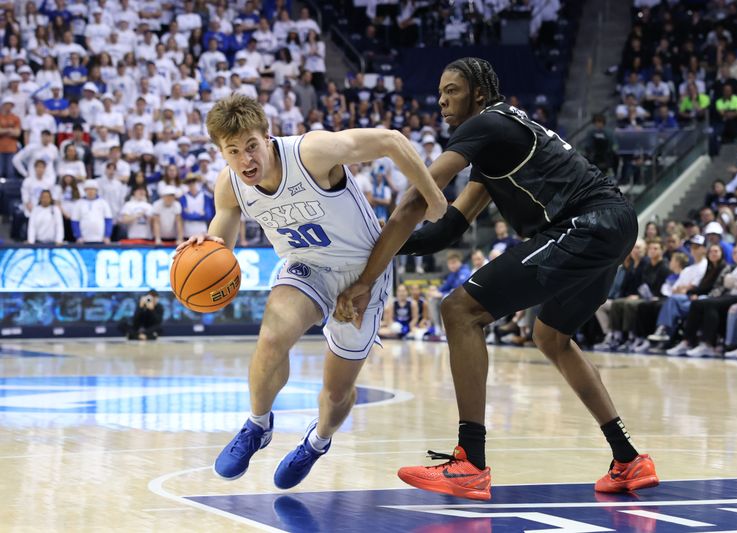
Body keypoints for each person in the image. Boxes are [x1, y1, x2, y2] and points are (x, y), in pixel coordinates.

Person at [335, 57, 657, 500]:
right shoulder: (498, 141)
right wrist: (391, 247)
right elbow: (449, 226)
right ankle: (628, 459)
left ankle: (470, 461)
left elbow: (415, 201)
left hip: (586, 224)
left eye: (453, 90)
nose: (443, 100)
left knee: (459, 310)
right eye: (440, 92)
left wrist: (368, 270)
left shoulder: (485, 124)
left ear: (479, 95)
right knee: (551, 337)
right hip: (612, 225)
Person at [176, 95, 446, 488]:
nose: (245, 160)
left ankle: (318, 441)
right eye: (233, 151)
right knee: (270, 339)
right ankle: (257, 425)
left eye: (251, 146)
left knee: (337, 394)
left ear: (267, 137)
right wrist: (210, 245)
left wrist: (435, 199)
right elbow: (225, 226)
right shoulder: (230, 184)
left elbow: (391, 140)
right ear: (221, 153)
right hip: (306, 268)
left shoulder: (312, 153)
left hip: (363, 271)